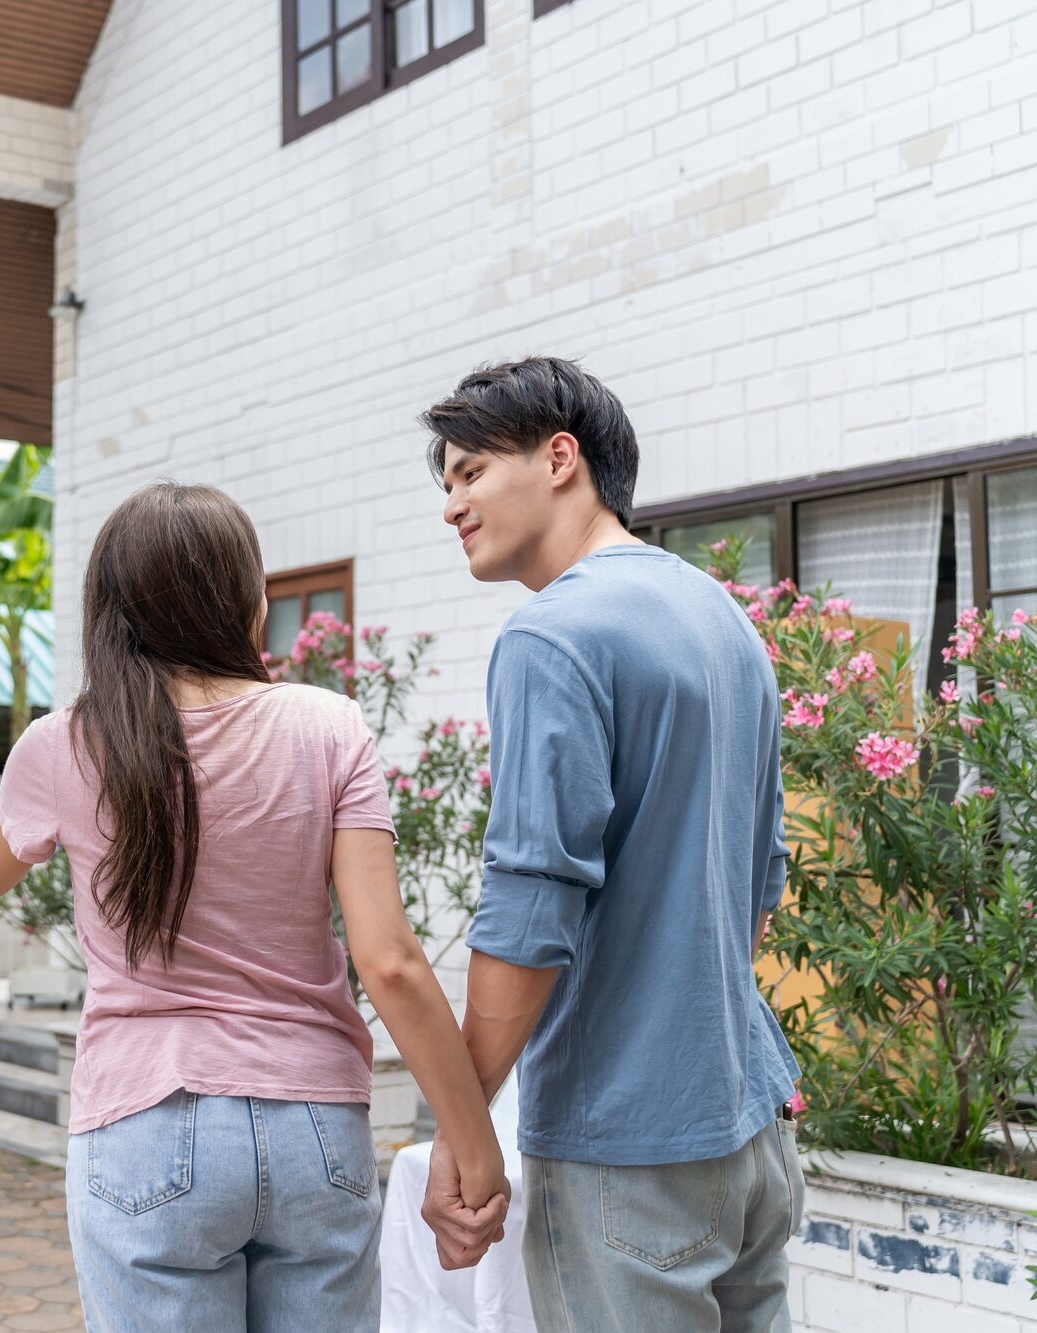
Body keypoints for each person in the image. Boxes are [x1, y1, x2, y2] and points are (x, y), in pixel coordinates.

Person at [0, 482, 508, 1332]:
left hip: (144, 1123)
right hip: (316, 1129)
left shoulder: (65, 743)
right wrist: (472, 1140)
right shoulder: (329, 725)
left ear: (111, 610)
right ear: (247, 599)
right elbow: (390, 963)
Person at [420, 358, 804, 1330]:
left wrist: (460, 1134)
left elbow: (528, 913)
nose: (451, 504)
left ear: (559, 457)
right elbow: (758, 884)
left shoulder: (553, 636)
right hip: (746, 1127)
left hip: (624, 1150)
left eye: (468, 471)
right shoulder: (723, 622)